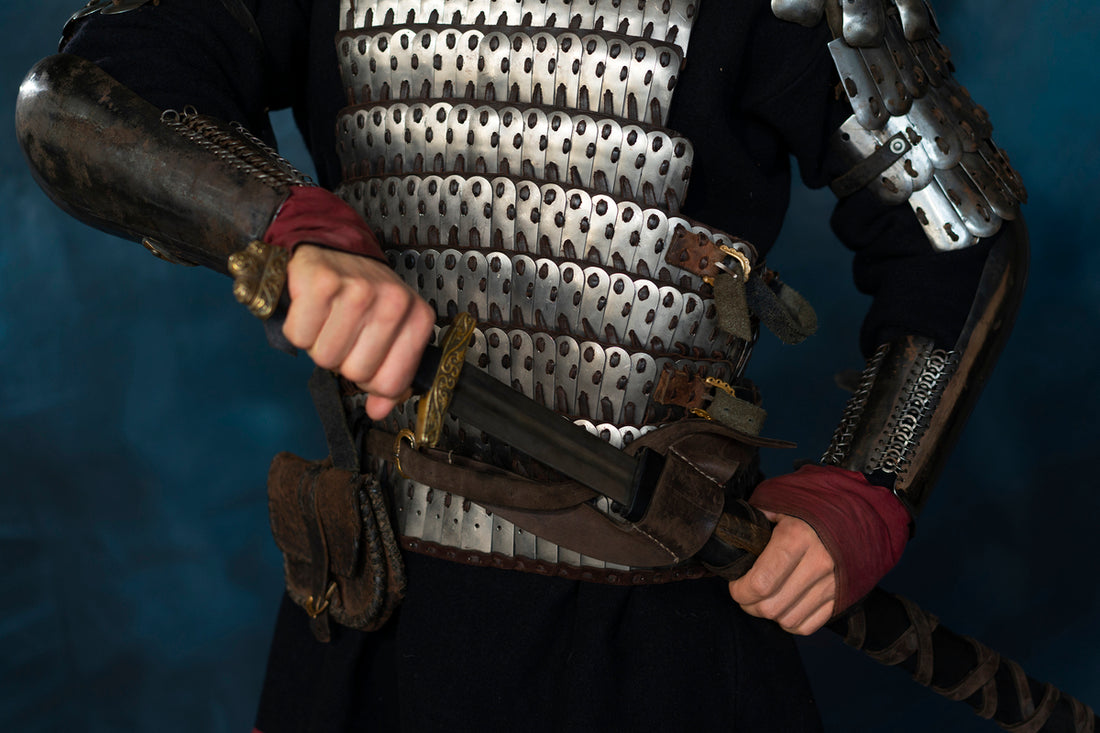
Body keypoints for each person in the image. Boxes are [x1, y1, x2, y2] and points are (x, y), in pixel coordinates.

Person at [18, 0, 1026, 729]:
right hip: (382, 615)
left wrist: (863, 485)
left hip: (664, 615)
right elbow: (84, 97)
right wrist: (280, 224)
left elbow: (960, 230)